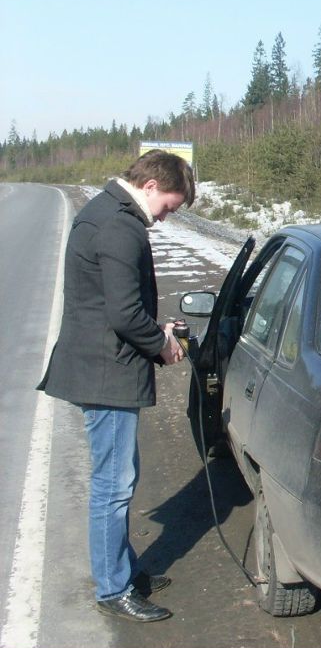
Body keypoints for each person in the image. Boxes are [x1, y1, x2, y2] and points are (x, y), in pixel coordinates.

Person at [38, 149, 195, 623]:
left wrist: (156, 330)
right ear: (150, 187)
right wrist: (162, 345)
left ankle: (121, 568)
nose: (165, 217)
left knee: (116, 478)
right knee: (114, 484)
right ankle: (113, 588)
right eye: (168, 206)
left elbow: (118, 303)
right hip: (105, 372)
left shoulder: (109, 212)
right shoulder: (119, 225)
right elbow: (124, 314)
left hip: (101, 363)